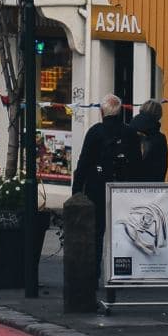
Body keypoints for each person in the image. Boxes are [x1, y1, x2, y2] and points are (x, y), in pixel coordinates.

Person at [70, 94, 141, 263]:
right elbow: (137, 163)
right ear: (120, 111)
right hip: (124, 189)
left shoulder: (95, 132)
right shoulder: (130, 132)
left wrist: (77, 189)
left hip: (98, 187)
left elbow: (84, 162)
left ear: (102, 112)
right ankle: (122, 270)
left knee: (96, 231)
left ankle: (94, 272)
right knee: (123, 231)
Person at [133, 99, 168, 184]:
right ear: (159, 116)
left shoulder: (128, 131)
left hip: (128, 186)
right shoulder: (160, 138)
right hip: (152, 186)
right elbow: (162, 167)